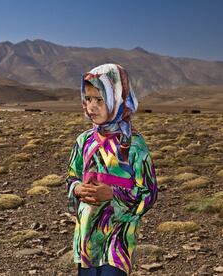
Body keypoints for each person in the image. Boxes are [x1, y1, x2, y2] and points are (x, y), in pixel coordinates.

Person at [66, 64, 158, 276]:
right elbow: (72, 177)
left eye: (99, 99)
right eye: (88, 99)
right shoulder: (83, 142)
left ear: (117, 98)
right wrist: (78, 189)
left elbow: (149, 193)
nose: (92, 106)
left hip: (118, 240)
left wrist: (113, 195)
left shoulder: (134, 145)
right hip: (86, 239)